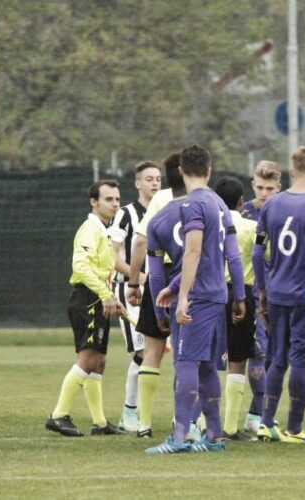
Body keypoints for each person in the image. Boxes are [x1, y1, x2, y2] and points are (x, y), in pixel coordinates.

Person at [145, 145, 247, 454]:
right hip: (217, 294)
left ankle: (180, 436)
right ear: (210, 169)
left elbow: (194, 251)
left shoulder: (190, 205)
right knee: (205, 367)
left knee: (187, 361)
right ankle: (214, 435)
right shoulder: (217, 202)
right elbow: (229, 254)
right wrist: (239, 295)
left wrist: (183, 295)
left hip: (198, 296)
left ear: (180, 171)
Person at [253, 146, 305, 444]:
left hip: (277, 292)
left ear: (292, 171)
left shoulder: (271, 205)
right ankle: (295, 428)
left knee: (276, 358)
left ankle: (265, 423)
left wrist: (262, 286)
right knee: (300, 361)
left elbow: (258, 250)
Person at [46, 180, 126, 437]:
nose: (115, 204)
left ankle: (99, 423)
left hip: (99, 297)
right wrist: (104, 295)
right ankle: (58, 415)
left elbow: (102, 270)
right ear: (94, 202)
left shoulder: (104, 230)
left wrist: (113, 296)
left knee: (99, 362)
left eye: (117, 199)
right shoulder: (90, 229)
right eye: (108, 199)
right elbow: (80, 267)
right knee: (88, 357)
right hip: (87, 298)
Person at [125, 151, 190, 439]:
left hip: (157, 276)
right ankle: (185, 422)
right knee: (186, 355)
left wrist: (133, 282)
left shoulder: (161, 200)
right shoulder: (203, 199)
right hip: (188, 279)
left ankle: (144, 423)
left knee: (151, 352)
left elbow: (140, 242)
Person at [109, 161, 162, 433]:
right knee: (142, 352)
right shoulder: (127, 214)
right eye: (149, 178)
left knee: (156, 351)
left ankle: (138, 413)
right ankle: (129, 413)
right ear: (137, 183)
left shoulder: (165, 209)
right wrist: (137, 276)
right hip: (132, 291)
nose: (154, 183)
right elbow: (110, 254)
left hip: (157, 291)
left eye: (158, 178)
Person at [212, 176, 259, 441]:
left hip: (211, 292)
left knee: (204, 358)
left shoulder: (208, 225)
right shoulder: (254, 226)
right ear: (242, 202)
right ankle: (230, 427)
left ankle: (195, 422)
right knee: (238, 360)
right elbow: (267, 254)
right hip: (243, 293)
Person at [240, 160, 282, 433]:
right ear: (253, 184)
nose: (264, 193)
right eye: (260, 187)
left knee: (275, 356)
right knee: (257, 353)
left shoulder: (284, 212)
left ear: (279, 187)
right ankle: (262, 417)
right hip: (254, 292)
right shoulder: (244, 214)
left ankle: (255, 414)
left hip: (281, 291)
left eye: (270, 188)